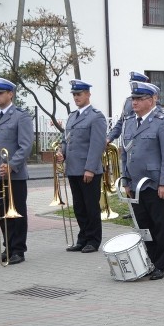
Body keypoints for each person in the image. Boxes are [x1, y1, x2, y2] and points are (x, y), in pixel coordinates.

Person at [119, 81, 164, 280]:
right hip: (135, 184)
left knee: (159, 225)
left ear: (151, 101)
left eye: (139, 99)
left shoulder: (161, 121)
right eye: (133, 99)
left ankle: (160, 264)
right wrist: (125, 180)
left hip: (154, 183)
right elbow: (125, 152)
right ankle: (148, 261)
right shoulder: (130, 122)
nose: (134, 102)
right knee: (143, 226)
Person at [57, 79, 108, 254]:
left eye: (79, 94)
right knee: (79, 206)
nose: (76, 97)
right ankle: (83, 238)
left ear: (88, 94)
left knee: (90, 206)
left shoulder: (96, 116)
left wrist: (90, 169)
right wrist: (61, 152)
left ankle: (93, 240)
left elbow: (97, 145)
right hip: (73, 168)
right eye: (74, 95)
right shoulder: (72, 116)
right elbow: (66, 139)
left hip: (88, 170)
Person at [0, 77, 34, 265]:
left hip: (14, 174)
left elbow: (26, 146)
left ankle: (18, 250)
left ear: (10, 94)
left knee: (16, 212)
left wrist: (11, 165)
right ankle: (8, 248)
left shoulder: (21, 116)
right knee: (2, 212)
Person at [107, 71, 148, 143]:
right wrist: (109, 137)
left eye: (135, 84)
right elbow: (121, 122)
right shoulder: (128, 101)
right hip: (128, 144)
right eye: (131, 84)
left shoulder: (151, 102)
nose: (133, 87)